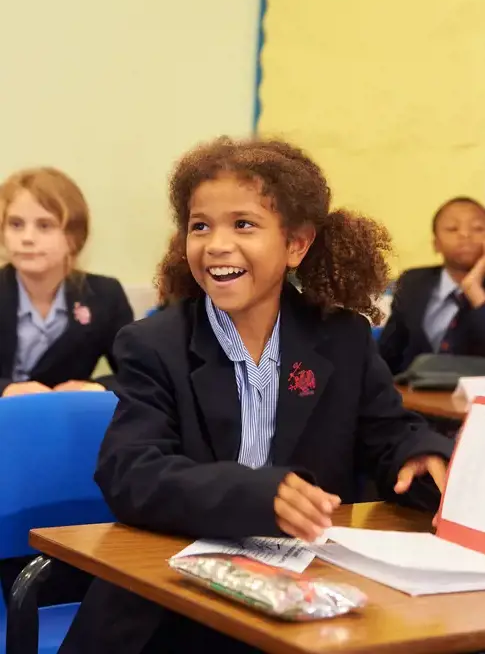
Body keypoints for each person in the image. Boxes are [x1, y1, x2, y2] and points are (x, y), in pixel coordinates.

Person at [59, 138, 452, 654]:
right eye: (200, 226)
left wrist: (419, 455)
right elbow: (130, 471)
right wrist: (256, 495)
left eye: (243, 224)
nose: (216, 244)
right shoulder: (155, 344)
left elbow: (387, 433)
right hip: (172, 604)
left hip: (306, 597)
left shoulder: (341, 340)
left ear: (296, 244)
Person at [0, 166, 134, 397]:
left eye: (44, 226)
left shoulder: (105, 296)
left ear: (74, 237)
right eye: (16, 224)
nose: (27, 238)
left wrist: (97, 387)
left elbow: (138, 374)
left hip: (70, 422)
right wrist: (7, 389)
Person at [379, 196, 485, 375]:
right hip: (412, 397)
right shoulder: (413, 282)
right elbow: (388, 352)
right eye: (452, 228)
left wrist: (474, 291)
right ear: (436, 244)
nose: (465, 235)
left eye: (478, 228)